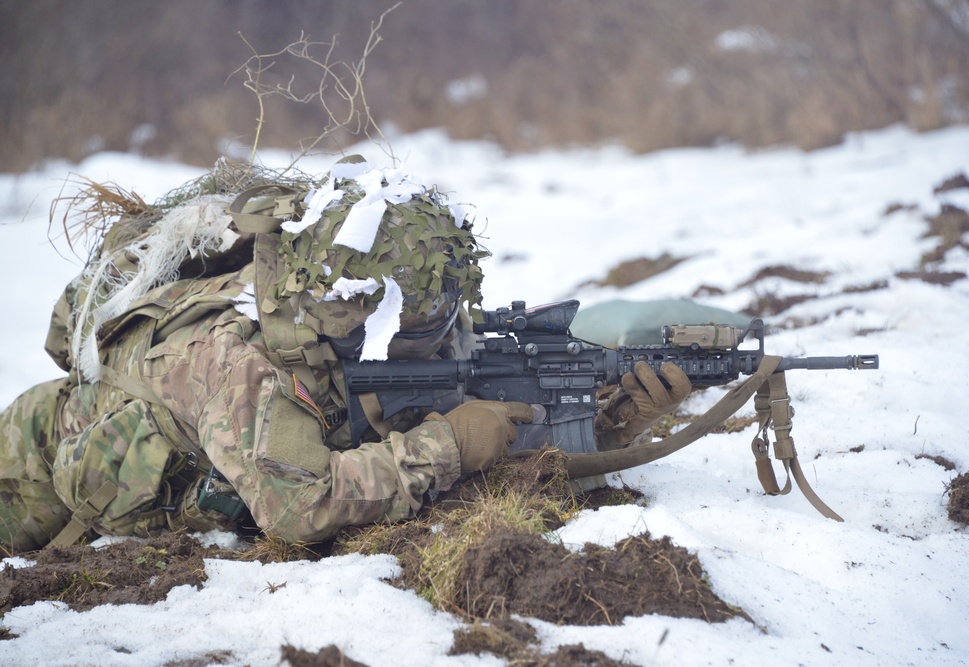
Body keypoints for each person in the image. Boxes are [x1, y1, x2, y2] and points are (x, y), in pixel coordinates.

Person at [0, 160, 691, 553]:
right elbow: (299, 508)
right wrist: (447, 444)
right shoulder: (238, 358)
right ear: (361, 309)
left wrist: (607, 419)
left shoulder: (364, 328)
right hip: (27, 475)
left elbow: (482, 411)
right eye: (420, 321)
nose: (441, 332)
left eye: (443, 312)